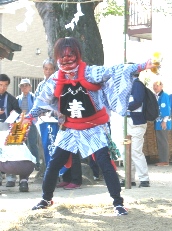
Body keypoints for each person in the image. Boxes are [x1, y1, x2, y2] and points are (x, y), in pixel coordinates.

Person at [21, 37, 156, 215]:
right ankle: (46, 198)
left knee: (104, 163)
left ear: (77, 55)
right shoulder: (55, 79)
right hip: (69, 127)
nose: (67, 59)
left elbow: (115, 70)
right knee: (53, 163)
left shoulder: (90, 73)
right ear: (57, 57)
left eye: (71, 55)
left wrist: (142, 65)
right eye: (63, 55)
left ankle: (118, 202)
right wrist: (29, 117)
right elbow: (41, 102)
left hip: (92, 127)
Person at [121, 71, 150, 187]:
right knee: (126, 151)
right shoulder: (128, 85)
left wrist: (123, 107)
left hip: (136, 122)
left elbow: (137, 101)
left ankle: (144, 179)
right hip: (128, 121)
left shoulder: (137, 85)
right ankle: (129, 177)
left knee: (135, 151)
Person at [0, 74, 22, 187]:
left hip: (7, 127)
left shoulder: (11, 98)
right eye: (0, 85)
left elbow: (18, 110)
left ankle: (11, 178)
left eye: (5, 85)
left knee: (9, 152)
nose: (3, 88)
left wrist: (13, 115)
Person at [17, 79, 40, 171]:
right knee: (21, 144)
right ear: (20, 88)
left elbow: (37, 110)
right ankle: (23, 163)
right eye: (22, 85)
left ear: (30, 86)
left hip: (31, 124)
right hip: (20, 125)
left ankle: (36, 163)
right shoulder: (18, 98)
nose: (24, 87)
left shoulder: (34, 98)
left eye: (26, 85)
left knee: (33, 144)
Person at [153, 81, 172, 166]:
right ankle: (162, 159)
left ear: (161, 86)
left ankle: (164, 160)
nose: (155, 87)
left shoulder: (164, 96)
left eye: (157, 85)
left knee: (163, 141)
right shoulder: (156, 96)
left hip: (162, 121)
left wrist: (164, 121)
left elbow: (166, 109)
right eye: (154, 85)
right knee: (160, 140)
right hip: (158, 121)